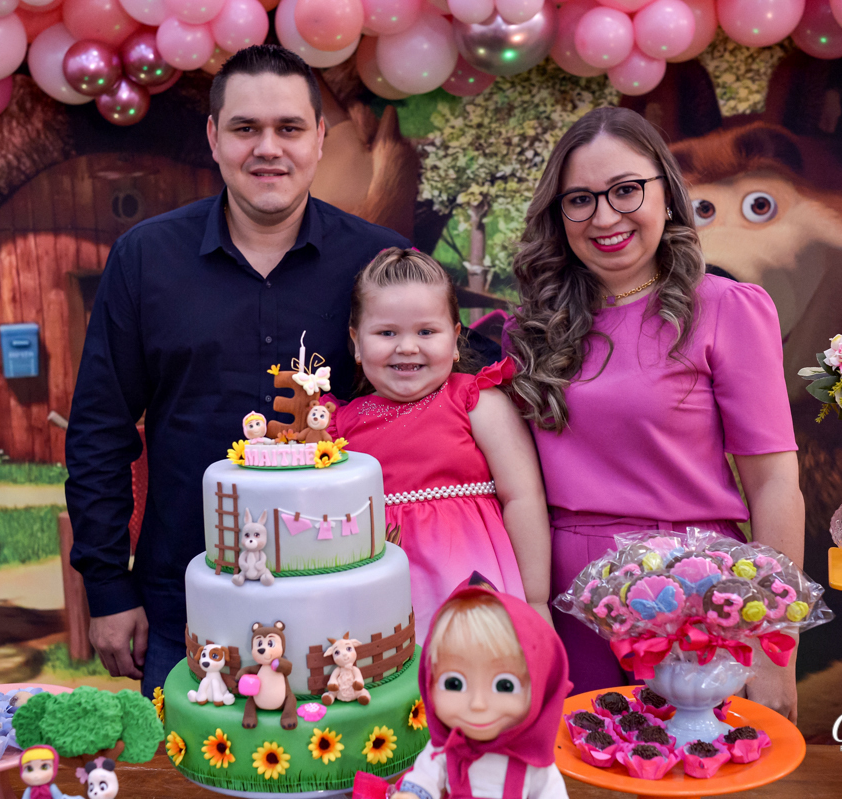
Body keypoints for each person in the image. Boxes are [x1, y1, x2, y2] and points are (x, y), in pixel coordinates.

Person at [64, 45, 411, 696]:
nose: (267, 148)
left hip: (344, 609)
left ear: (319, 139)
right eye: (246, 127)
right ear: (214, 137)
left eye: (289, 128)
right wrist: (107, 587)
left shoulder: (380, 262)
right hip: (183, 605)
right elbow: (99, 431)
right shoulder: (145, 259)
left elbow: (430, 409)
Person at [504, 106, 804, 719]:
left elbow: (774, 483)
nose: (604, 217)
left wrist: (775, 649)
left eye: (626, 190)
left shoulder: (727, 308)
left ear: (668, 194)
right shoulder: (529, 332)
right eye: (580, 199)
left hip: (699, 590)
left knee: (696, 757)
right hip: (565, 597)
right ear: (559, 216)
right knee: (581, 761)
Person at [329, 248, 552, 639]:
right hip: (379, 605)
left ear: (455, 337)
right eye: (386, 333)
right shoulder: (338, 429)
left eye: (426, 332)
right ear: (357, 342)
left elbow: (523, 497)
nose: (407, 347)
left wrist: (536, 601)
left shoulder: (476, 402)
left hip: (471, 590)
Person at [390, 576, 571, 799]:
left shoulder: (535, 765)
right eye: (454, 684)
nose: (478, 704)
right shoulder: (446, 751)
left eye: (505, 686)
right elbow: (423, 779)